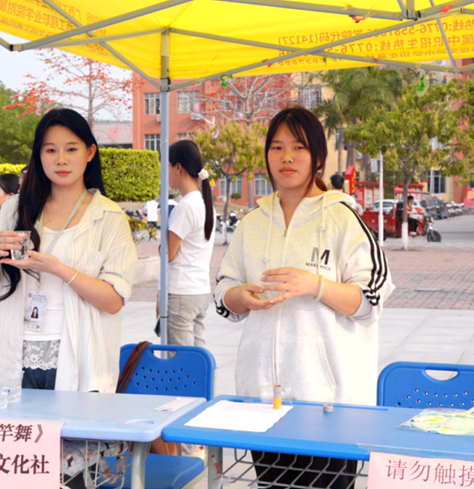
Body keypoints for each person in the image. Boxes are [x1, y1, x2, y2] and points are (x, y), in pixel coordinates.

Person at [214, 107, 394, 488]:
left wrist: (316, 285)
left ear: (317, 157)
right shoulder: (252, 224)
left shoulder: (344, 220)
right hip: (263, 400)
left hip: (329, 406)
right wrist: (240, 295)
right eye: (277, 147)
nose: (287, 157)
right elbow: (222, 294)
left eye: (298, 147)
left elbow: (371, 299)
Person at [0, 108, 137, 393]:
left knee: (73, 423)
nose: (61, 159)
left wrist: (60, 270)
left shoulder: (109, 217)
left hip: (79, 356)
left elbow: (114, 301)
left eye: (71, 149)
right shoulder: (14, 209)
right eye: (50, 150)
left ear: (90, 152)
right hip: (14, 353)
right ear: (39, 155)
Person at [161, 140, 215, 348]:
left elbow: (168, 254)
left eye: (167, 166)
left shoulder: (185, 206)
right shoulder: (205, 203)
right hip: (200, 290)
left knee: (179, 359)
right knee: (197, 356)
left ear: (178, 167)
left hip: (181, 291)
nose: (165, 173)